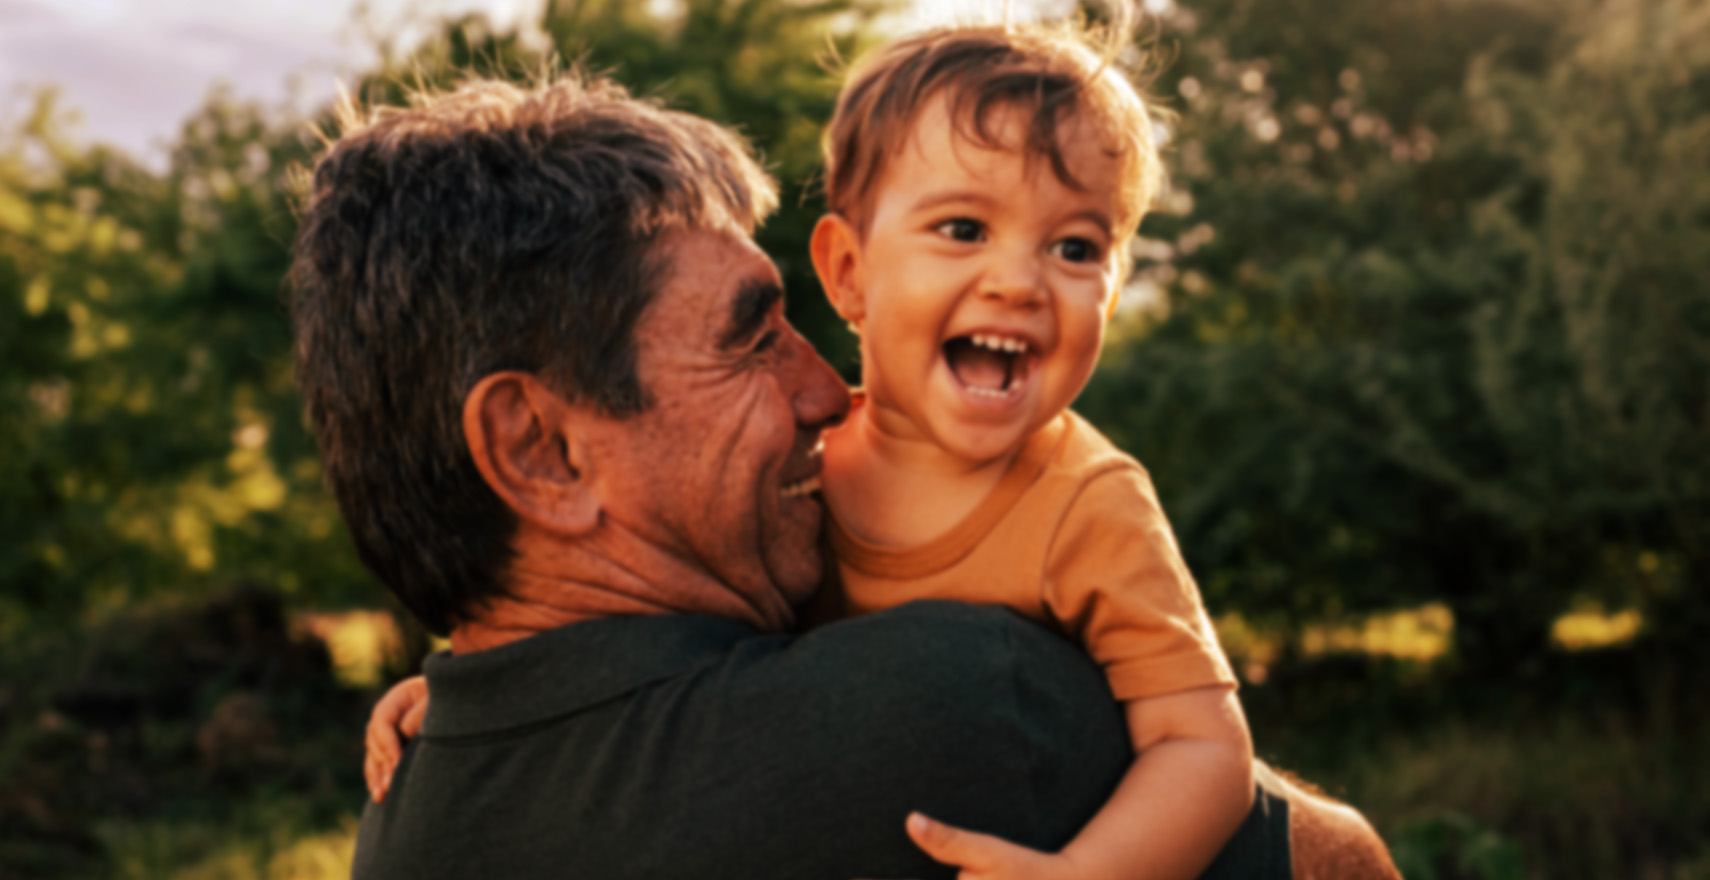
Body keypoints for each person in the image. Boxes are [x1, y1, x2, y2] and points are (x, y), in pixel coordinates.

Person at [301, 73, 1397, 879]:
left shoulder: (404, 824)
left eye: (1077, 249)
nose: (828, 395)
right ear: (543, 451)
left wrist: (455, 682)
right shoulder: (959, 704)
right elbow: (1339, 861)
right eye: (750, 339)